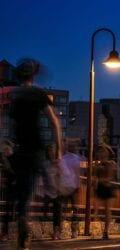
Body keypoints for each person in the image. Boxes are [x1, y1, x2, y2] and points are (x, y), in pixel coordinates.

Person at [9, 58, 63, 249]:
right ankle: (35, 219)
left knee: (24, 192)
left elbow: (7, 122)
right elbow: (54, 122)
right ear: (34, 75)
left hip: (18, 150)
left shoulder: (15, 96)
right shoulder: (38, 93)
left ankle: (23, 217)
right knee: (51, 186)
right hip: (36, 149)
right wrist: (58, 151)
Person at [94, 143, 117, 240]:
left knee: (107, 211)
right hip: (99, 188)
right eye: (99, 151)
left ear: (107, 153)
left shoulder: (111, 163)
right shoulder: (97, 165)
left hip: (108, 188)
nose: (101, 153)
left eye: (103, 151)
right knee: (96, 211)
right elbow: (94, 177)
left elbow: (109, 178)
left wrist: (98, 180)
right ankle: (99, 230)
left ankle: (106, 232)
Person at [62, 138, 82, 238]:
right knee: (74, 209)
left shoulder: (64, 158)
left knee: (66, 209)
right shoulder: (75, 158)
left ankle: (66, 231)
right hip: (71, 186)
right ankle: (73, 231)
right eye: (71, 146)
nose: (72, 147)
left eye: (72, 146)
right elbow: (77, 173)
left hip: (68, 186)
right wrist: (78, 185)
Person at [0, 140, 16, 241]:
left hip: (16, 188)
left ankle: (9, 233)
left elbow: (16, 173)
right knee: (7, 211)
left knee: (12, 211)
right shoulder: (3, 158)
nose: (5, 151)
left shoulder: (14, 159)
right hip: (8, 188)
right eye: (4, 149)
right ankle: (5, 233)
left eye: (6, 149)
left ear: (11, 149)